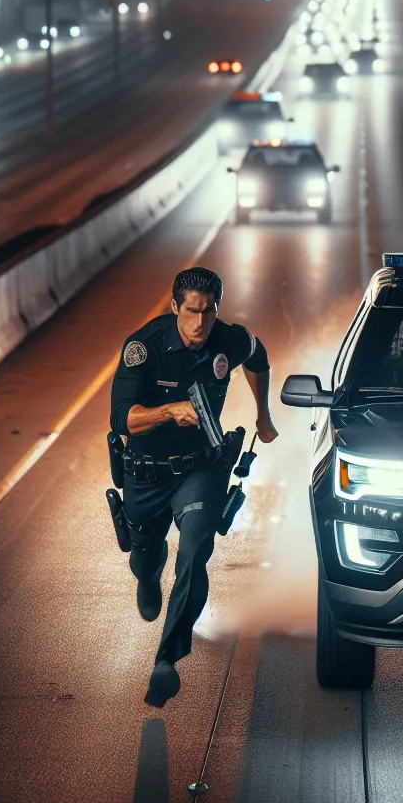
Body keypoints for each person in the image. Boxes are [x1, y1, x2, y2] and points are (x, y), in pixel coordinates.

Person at [110, 267, 278, 707]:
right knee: (148, 556)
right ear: (175, 308)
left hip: (200, 469)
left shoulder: (228, 339)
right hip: (146, 471)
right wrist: (168, 411)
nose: (200, 323)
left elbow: (259, 356)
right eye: (191, 312)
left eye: (208, 311)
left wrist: (263, 414)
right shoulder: (142, 348)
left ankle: (166, 660)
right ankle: (147, 576)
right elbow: (121, 418)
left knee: (195, 552)